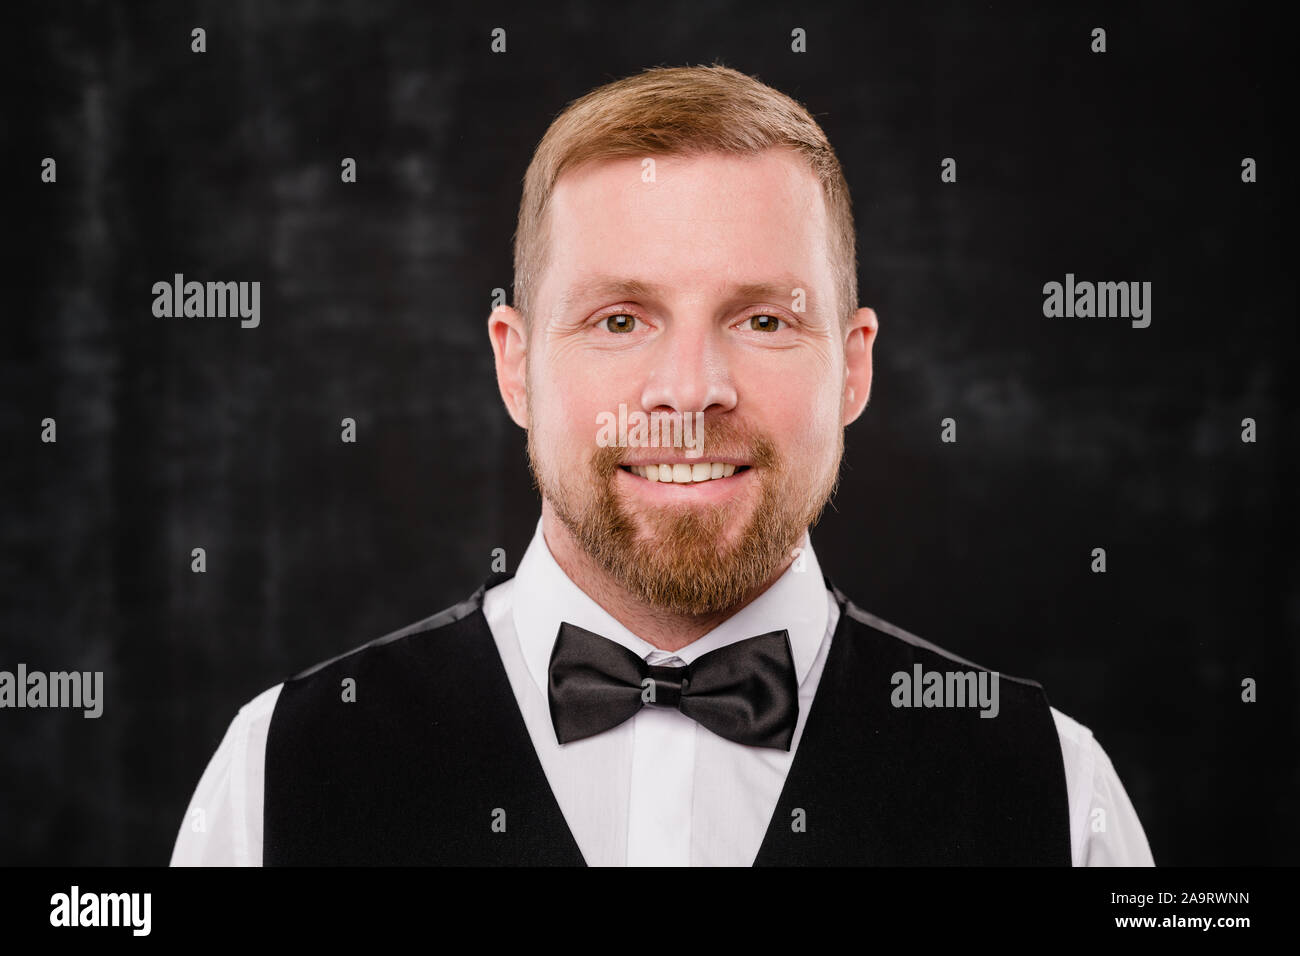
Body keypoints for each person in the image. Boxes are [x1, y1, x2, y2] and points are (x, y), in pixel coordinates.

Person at [171, 64, 1153, 866]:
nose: (689, 390)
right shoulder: (279, 771)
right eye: (620, 319)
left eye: (762, 318)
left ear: (853, 366)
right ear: (515, 364)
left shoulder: (1056, 792)